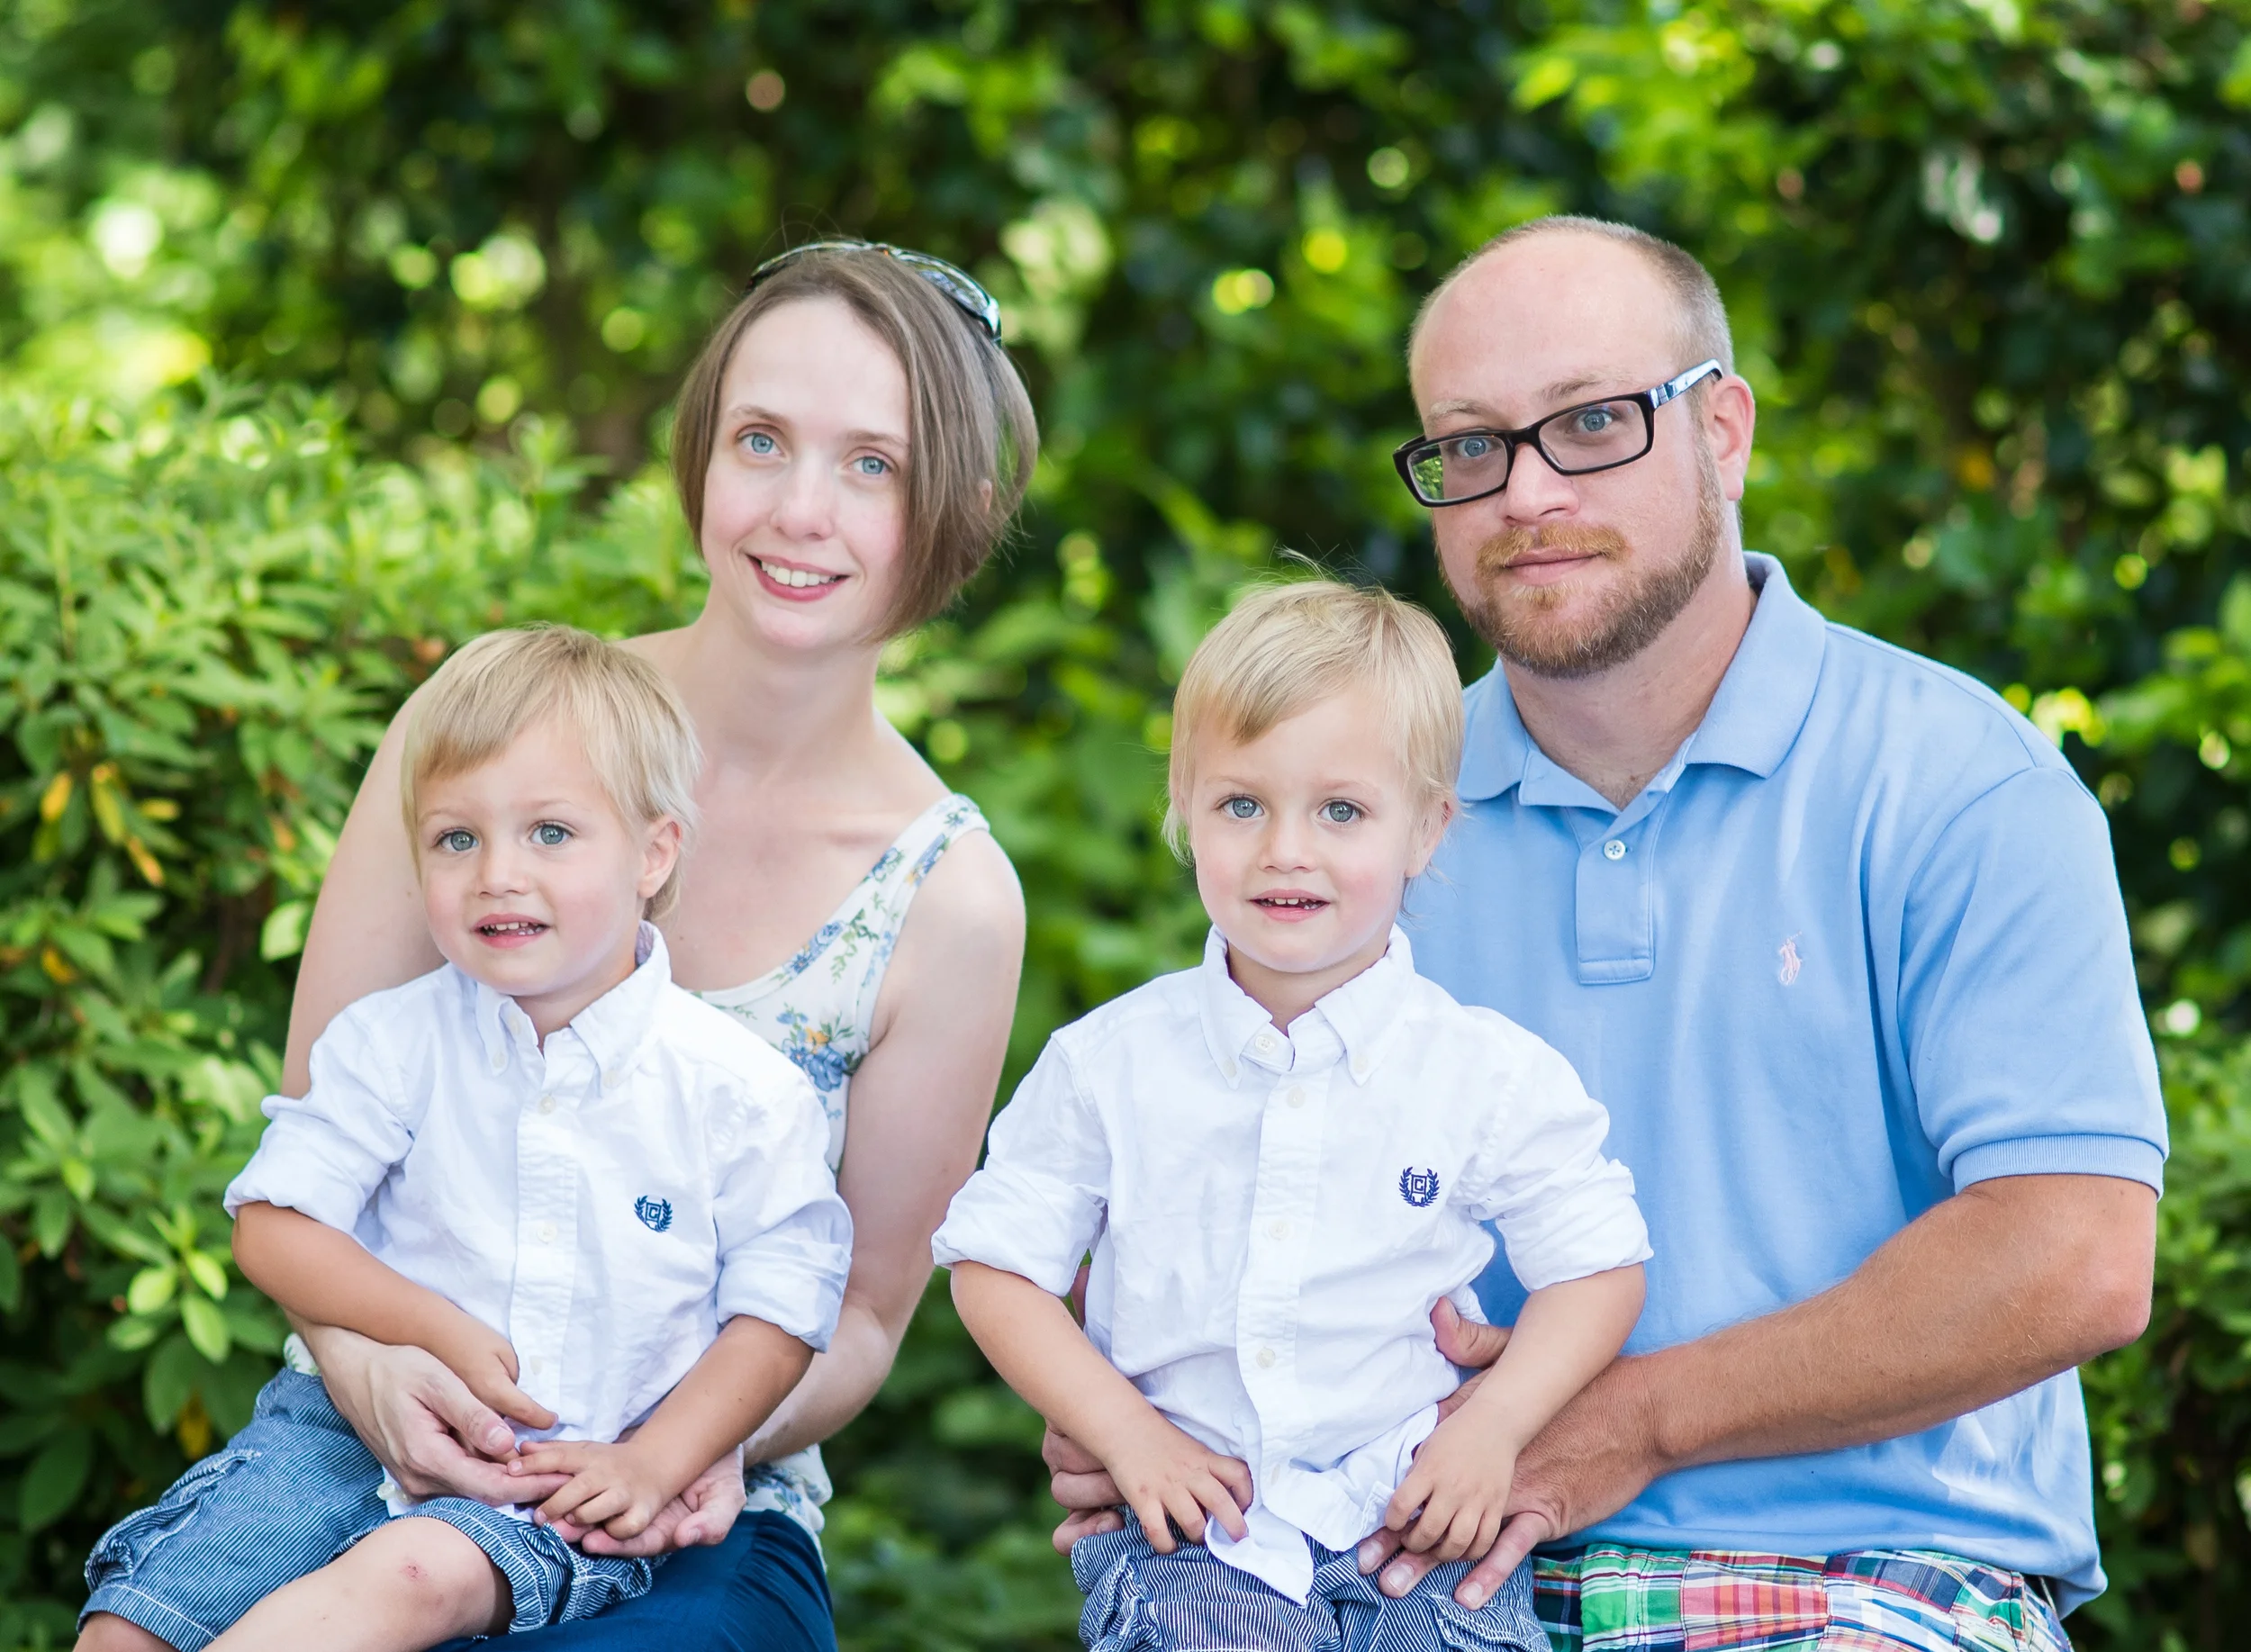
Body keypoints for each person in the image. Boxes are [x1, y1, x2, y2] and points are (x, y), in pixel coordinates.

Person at [1045, 217, 2165, 1649]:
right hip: (1397, 1580)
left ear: (1724, 428)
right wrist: (1150, 1408)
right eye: (1470, 444)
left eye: (1589, 423)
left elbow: (2072, 1256)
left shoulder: (1959, 782)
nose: (1525, 491)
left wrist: (1630, 1419)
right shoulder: (1359, 823)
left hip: (1866, 1584)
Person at [136, 242, 1029, 1651]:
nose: (803, 509)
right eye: (761, 440)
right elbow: (319, 1159)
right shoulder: (485, 738)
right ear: (699, 454)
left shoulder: (948, 897)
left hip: (687, 1521)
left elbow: (855, 1312)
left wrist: (677, 1446)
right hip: (368, 1440)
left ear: (960, 508)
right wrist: (373, 1371)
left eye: (876, 464)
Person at [78, 626, 854, 1650]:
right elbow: (273, 1225)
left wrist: (660, 1457)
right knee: (140, 1617)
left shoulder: (738, 1090)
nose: (497, 873)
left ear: (654, 852)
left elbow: (785, 1307)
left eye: (549, 832)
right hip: (337, 1436)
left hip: (555, 1472)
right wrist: (429, 1326)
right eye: (456, 838)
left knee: (403, 1578)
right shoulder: (395, 1040)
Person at [940, 582, 1650, 1652]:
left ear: (1425, 828)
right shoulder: (1108, 1064)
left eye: (1341, 810)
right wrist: (1125, 1432)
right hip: (1197, 1528)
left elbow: (1597, 1265)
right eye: (1241, 805)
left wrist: (1497, 1425)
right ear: (1183, 807)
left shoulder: (1481, 1071)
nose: (1285, 849)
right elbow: (997, 1266)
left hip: (1414, 1514)